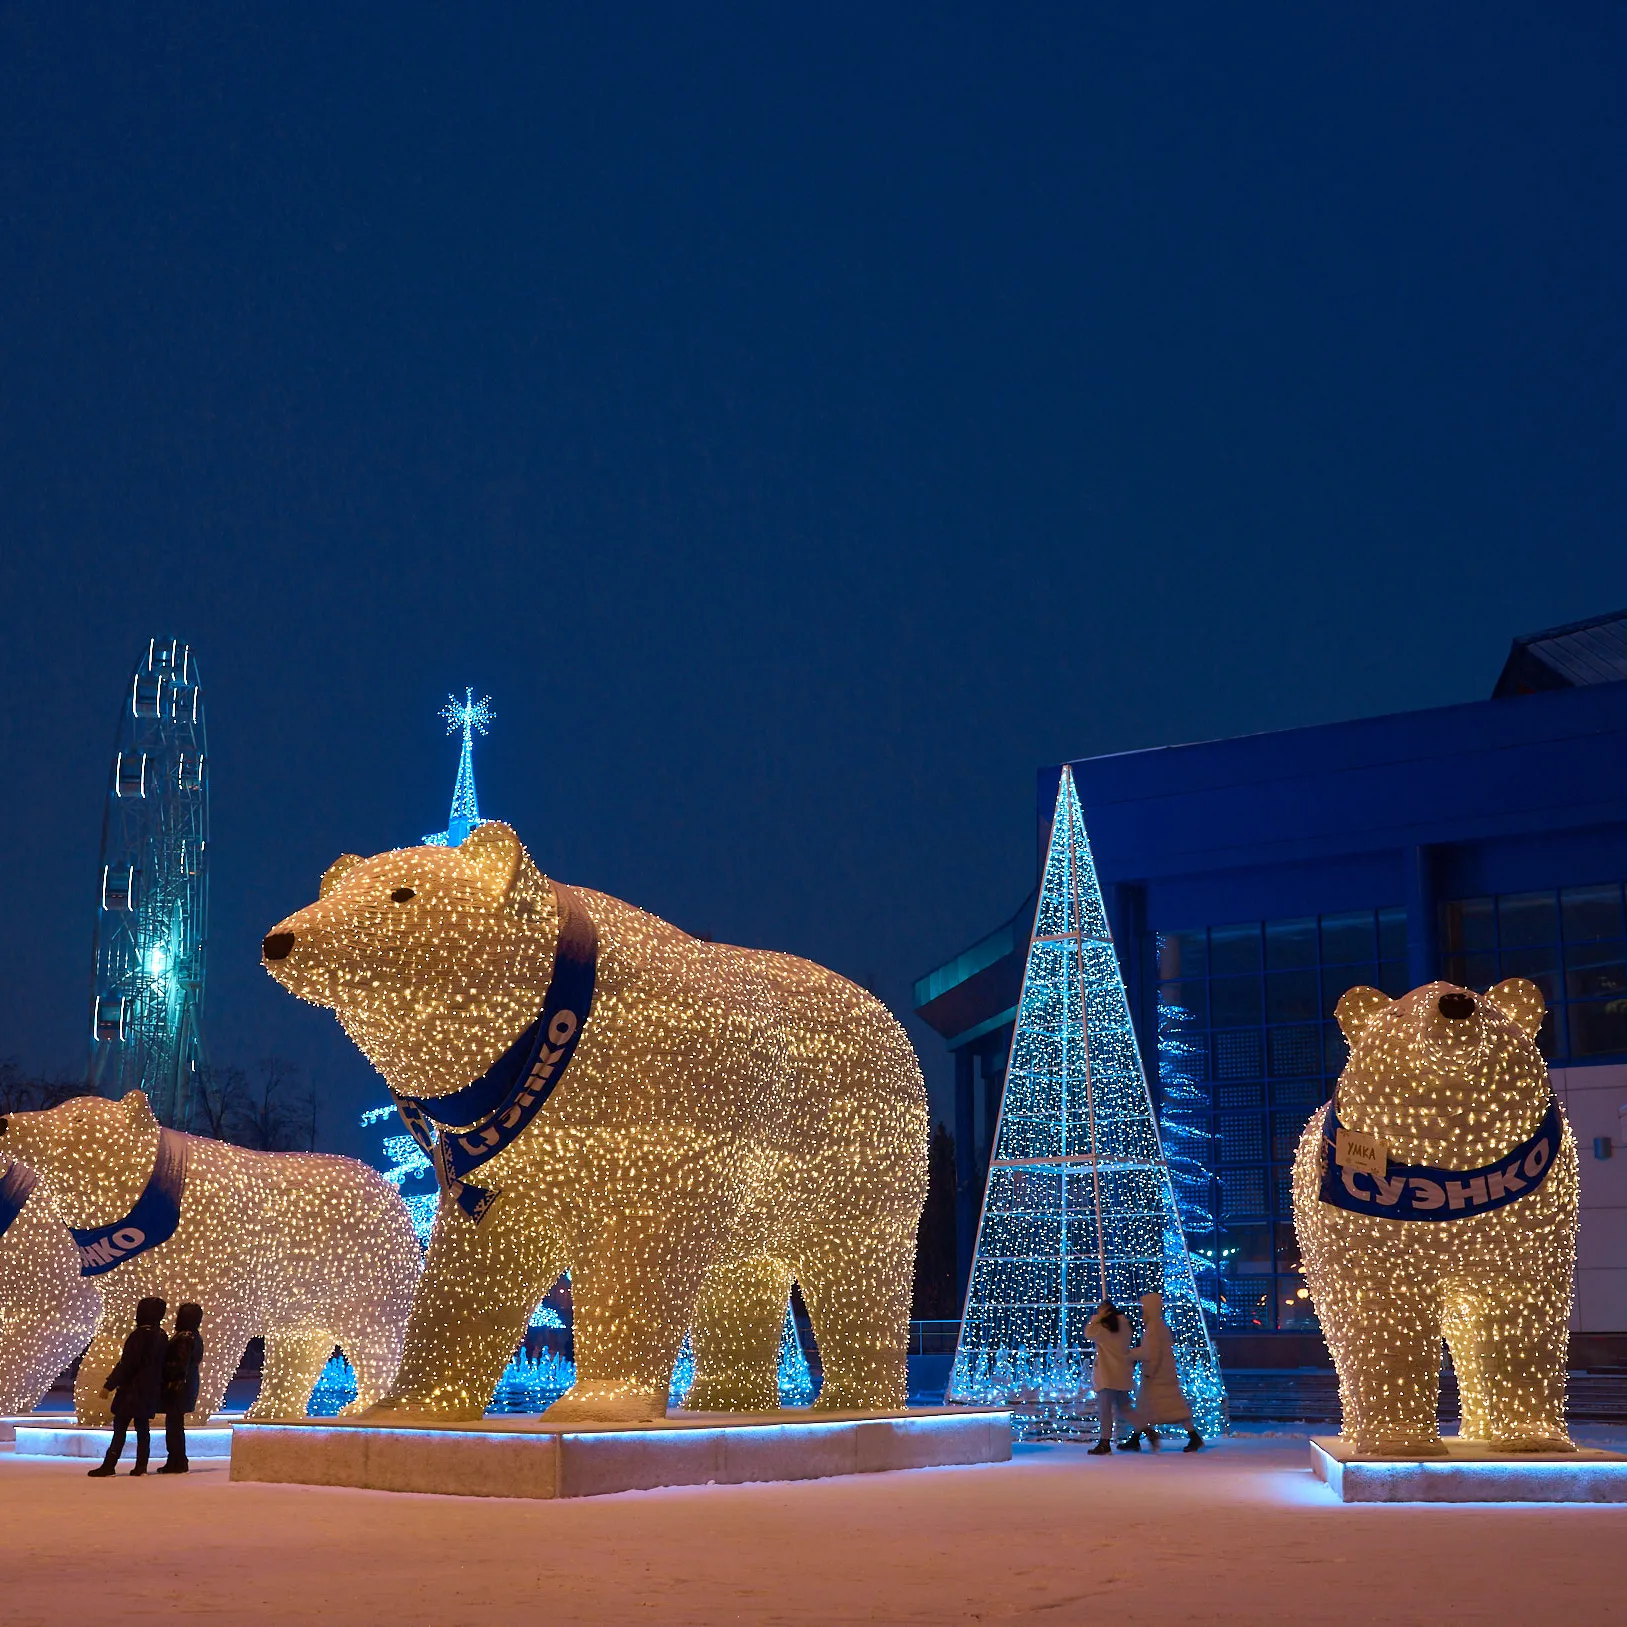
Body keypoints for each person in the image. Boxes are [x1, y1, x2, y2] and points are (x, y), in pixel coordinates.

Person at [88, 1296, 169, 1477]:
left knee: (120, 1429)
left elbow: (127, 1364)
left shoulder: (138, 1335)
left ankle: (109, 1464)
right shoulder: (162, 1336)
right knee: (142, 1429)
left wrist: (109, 1385)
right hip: (150, 1390)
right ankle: (141, 1466)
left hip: (131, 1390)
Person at [1119, 1290, 1203, 1452]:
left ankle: (1194, 1437)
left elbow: (1150, 1352)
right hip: (1161, 1374)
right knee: (1153, 1407)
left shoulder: (1154, 1327)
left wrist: (1130, 1354)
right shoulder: (1157, 1325)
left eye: (1144, 1307)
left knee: (1169, 1408)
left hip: (1157, 1376)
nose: (1142, 1310)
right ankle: (1135, 1439)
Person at [156, 1302, 204, 1474]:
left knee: (174, 1425)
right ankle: (177, 1460)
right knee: (175, 1425)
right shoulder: (195, 1336)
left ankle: (176, 1461)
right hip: (186, 1384)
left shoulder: (184, 1337)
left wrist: (167, 1377)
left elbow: (178, 1364)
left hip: (178, 1386)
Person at [1083, 1298, 1134, 1456]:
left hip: (1107, 1375)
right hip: (1122, 1373)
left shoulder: (1104, 1328)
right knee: (1125, 1409)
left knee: (1105, 1411)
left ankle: (1105, 1443)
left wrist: (1096, 1318)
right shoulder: (1125, 1326)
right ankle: (1143, 1430)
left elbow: (1088, 1333)